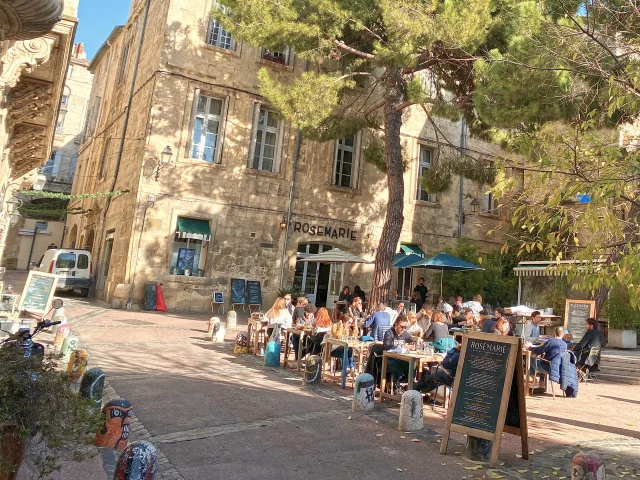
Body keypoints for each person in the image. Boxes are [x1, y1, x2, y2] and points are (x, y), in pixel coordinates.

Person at [383, 316, 416, 382]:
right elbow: (387, 346)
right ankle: (398, 386)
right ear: (396, 324)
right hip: (390, 358)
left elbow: (411, 343)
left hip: (403, 358)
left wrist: (413, 346)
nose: (403, 329)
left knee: (412, 370)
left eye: (405, 327)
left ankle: (408, 386)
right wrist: (402, 346)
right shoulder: (389, 333)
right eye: (401, 326)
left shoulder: (405, 334)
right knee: (398, 370)